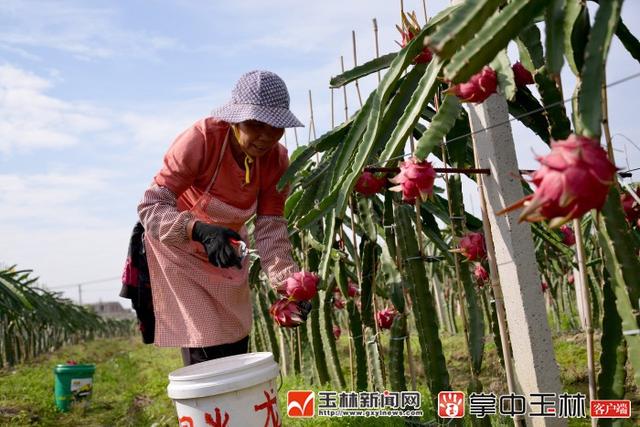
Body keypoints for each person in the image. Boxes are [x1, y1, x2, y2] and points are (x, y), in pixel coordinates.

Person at [138, 70, 311, 366]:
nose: (266, 136)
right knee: (204, 343)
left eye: (276, 126)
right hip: (180, 246)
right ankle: (206, 411)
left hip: (226, 249)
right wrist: (198, 230)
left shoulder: (277, 161)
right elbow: (151, 207)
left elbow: (271, 228)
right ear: (235, 119)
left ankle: (232, 410)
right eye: (256, 124)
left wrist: (290, 286)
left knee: (235, 336)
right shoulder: (202, 139)